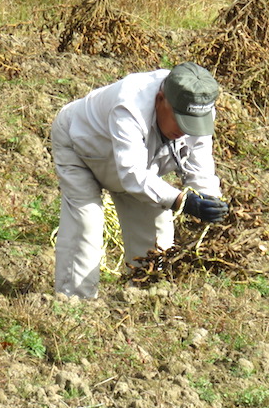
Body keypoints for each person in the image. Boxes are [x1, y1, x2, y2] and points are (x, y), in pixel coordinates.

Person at [50, 62, 229, 299]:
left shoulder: (200, 108)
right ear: (160, 99)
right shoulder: (130, 103)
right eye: (180, 121)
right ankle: (74, 305)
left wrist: (208, 199)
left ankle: (146, 298)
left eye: (192, 124)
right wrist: (181, 201)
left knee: (157, 233)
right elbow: (132, 173)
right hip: (81, 147)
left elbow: (199, 163)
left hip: (135, 163)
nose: (185, 131)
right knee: (86, 224)